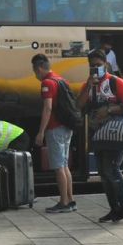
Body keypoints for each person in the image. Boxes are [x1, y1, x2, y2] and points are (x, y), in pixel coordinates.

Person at [78, 49, 123, 224]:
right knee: (103, 172)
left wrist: (109, 109)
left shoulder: (116, 82)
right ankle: (115, 208)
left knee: (111, 168)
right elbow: (78, 105)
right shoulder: (88, 85)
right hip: (98, 135)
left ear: (106, 64)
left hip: (116, 134)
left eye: (98, 65)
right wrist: (88, 85)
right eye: (92, 66)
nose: (95, 68)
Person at [32, 54, 75, 214]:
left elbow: (48, 108)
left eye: (35, 71)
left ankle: (63, 202)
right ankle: (70, 200)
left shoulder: (47, 83)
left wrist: (41, 132)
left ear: (39, 69)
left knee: (58, 166)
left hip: (54, 128)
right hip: (66, 127)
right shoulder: (61, 80)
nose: (35, 75)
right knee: (64, 165)